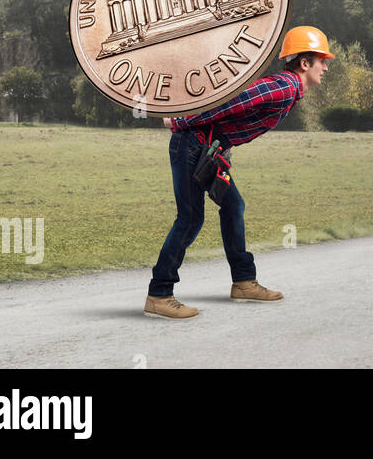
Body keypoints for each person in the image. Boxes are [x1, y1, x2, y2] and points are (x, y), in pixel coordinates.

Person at [143, 25, 334, 320]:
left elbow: (237, 114)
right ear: (305, 63)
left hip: (207, 148)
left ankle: (244, 282)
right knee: (190, 218)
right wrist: (182, 119)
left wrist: (223, 150)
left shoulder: (291, 90)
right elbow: (234, 101)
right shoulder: (284, 86)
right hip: (192, 142)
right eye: (322, 60)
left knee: (234, 206)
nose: (326, 66)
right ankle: (159, 293)